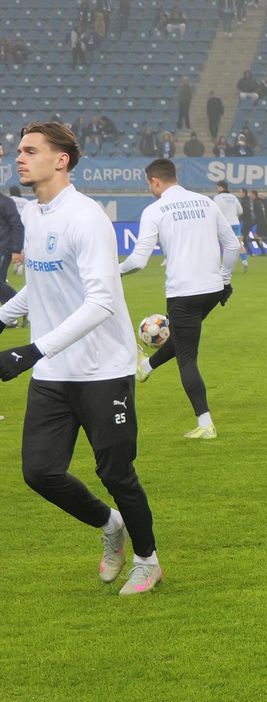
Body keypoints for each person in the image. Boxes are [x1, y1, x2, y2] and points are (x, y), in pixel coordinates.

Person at [0, 121, 162, 594]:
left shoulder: (86, 217)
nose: (20, 157)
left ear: (61, 159)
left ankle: (148, 560)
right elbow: (42, 285)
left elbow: (101, 302)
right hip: (54, 373)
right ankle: (110, 525)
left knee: (115, 471)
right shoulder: (33, 216)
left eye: (31, 150)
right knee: (39, 473)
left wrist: (31, 350)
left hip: (102, 370)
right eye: (19, 150)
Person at [118, 159, 239, 439]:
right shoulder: (207, 203)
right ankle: (145, 367)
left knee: (187, 358)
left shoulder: (155, 210)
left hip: (183, 292)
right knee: (183, 338)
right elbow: (232, 245)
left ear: (154, 182)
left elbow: (138, 260)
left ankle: (205, 423)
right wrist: (226, 280)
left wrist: (115, 271)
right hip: (211, 290)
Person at [0, 143, 24, 303]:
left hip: (3, 249)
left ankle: (20, 308)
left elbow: (17, 224)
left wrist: (16, 249)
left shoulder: (6, 202)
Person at [213, 179, 249, 272]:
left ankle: (226, 267)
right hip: (235, 223)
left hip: (225, 224)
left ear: (221, 187)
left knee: (225, 245)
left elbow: (216, 211)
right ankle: (245, 261)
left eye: (217, 187)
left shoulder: (218, 198)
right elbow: (240, 211)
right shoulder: (233, 197)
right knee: (239, 244)